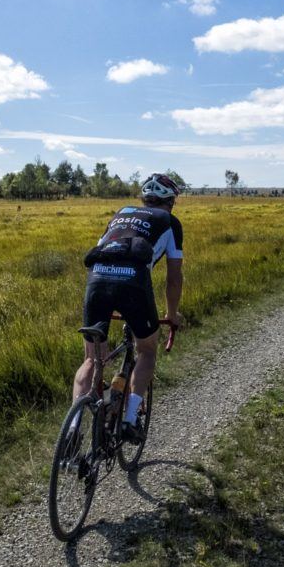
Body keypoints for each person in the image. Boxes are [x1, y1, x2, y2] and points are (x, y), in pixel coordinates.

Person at [73, 173, 184, 443]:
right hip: (133, 282)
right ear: (171, 202)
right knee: (146, 351)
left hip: (97, 279)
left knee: (92, 359)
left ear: (144, 199)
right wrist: (171, 314)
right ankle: (130, 419)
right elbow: (174, 278)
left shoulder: (121, 213)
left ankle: (73, 429)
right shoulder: (170, 222)